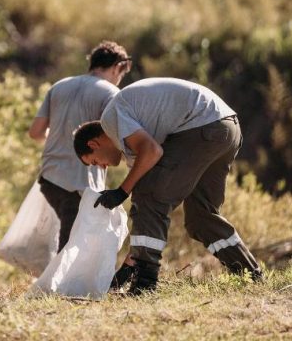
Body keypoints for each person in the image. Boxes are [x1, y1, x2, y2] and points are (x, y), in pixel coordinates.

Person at [72, 77, 262, 295]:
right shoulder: (132, 142)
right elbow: (146, 171)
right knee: (201, 217)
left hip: (202, 127)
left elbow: (152, 153)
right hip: (226, 128)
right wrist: (130, 262)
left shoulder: (110, 119)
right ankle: (251, 273)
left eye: (95, 161)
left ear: (93, 144)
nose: (102, 167)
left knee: (149, 196)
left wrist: (121, 191)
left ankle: (144, 285)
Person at [27, 41, 130, 250]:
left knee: (69, 238)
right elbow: (114, 138)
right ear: (117, 67)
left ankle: (54, 280)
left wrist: (59, 139)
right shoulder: (110, 93)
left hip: (49, 178)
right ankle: (59, 283)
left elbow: (35, 132)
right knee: (72, 244)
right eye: (121, 74)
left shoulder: (59, 85)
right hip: (80, 182)